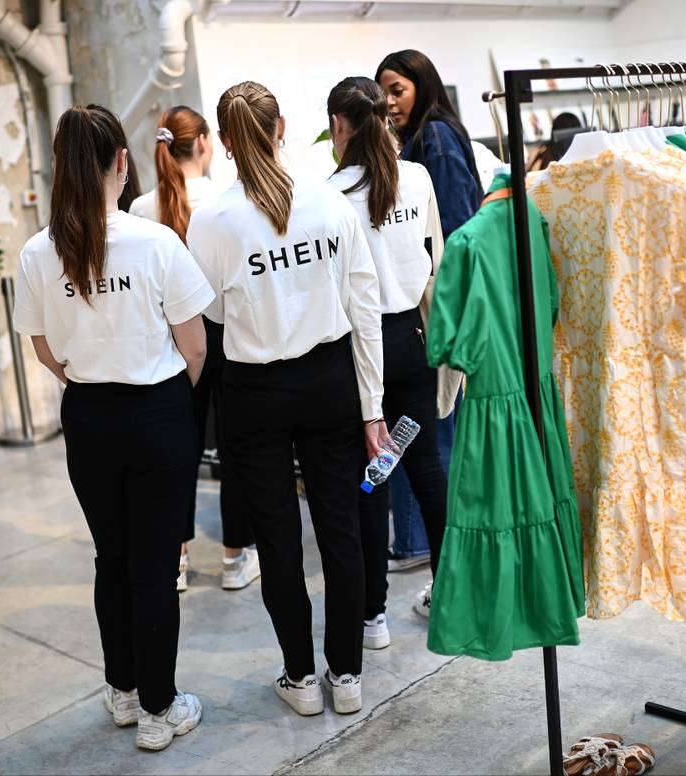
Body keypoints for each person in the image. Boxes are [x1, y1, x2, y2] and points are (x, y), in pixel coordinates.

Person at [13, 104, 212, 752]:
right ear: (122, 165)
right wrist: (159, 398)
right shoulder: (155, 242)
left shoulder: (39, 252)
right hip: (156, 412)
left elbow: (43, 348)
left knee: (113, 558)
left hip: (89, 418)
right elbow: (197, 347)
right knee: (155, 567)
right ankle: (160, 710)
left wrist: (89, 383)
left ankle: (124, 692)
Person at [186, 81, 385, 717]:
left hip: (255, 392)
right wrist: (372, 405)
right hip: (330, 382)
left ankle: (301, 677)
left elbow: (211, 310)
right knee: (340, 531)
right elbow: (365, 308)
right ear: (281, 127)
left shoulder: (213, 220)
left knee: (276, 538)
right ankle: (346, 675)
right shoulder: (329, 204)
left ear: (225, 141)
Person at [325, 76, 449, 652]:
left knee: (370, 483)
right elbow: (435, 260)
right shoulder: (417, 178)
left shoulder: (331, 196)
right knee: (425, 468)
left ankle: (372, 617)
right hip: (414, 339)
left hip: (360, 352)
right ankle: (451, 594)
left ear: (339, 126)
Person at [130, 105, 260, 594]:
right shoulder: (223, 201)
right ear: (204, 143)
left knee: (177, 454)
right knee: (236, 451)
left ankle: (177, 561)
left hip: (172, 343)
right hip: (226, 337)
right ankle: (234, 559)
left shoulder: (143, 209)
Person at [376, 49, 480, 616]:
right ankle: (415, 541)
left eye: (398, 90)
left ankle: (417, 542)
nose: (390, 103)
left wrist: (449, 298)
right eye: (383, 93)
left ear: (422, 85)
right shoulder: (420, 139)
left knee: (429, 426)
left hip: (433, 304)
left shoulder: (434, 139)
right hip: (424, 305)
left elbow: (458, 225)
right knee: (423, 427)